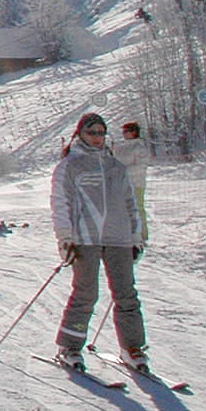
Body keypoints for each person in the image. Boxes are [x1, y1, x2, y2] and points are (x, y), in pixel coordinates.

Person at [52, 112, 148, 372]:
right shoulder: (70, 165)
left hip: (119, 238)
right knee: (86, 293)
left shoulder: (116, 166)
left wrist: (136, 237)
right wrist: (65, 239)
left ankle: (132, 348)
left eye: (101, 133)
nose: (97, 138)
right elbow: (61, 204)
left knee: (127, 295)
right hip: (85, 238)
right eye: (91, 132)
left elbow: (131, 203)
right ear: (80, 134)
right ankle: (70, 346)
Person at [110, 122, 151, 240]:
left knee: (137, 208)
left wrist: (124, 171)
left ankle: (142, 234)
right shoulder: (121, 147)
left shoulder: (139, 147)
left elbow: (141, 166)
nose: (123, 134)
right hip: (121, 184)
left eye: (126, 131)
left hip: (136, 184)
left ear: (133, 132)